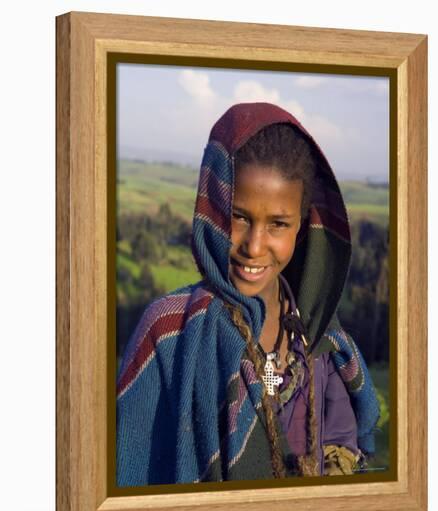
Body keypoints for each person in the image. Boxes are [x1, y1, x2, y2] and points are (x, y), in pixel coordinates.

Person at [116, 102, 380, 486]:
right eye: (239, 217)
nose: (254, 247)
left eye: (278, 223)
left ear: (301, 228)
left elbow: (342, 444)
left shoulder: (322, 341)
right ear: (215, 207)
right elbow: (130, 468)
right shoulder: (170, 332)